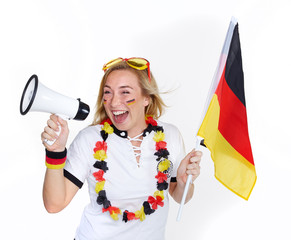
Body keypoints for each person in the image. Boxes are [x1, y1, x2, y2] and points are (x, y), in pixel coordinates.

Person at [41, 57, 202, 240]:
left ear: (146, 98)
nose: (114, 102)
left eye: (125, 92)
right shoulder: (89, 139)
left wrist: (182, 183)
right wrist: (55, 152)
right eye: (108, 92)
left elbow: (181, 197)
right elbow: (54, 204)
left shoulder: (170, 135)